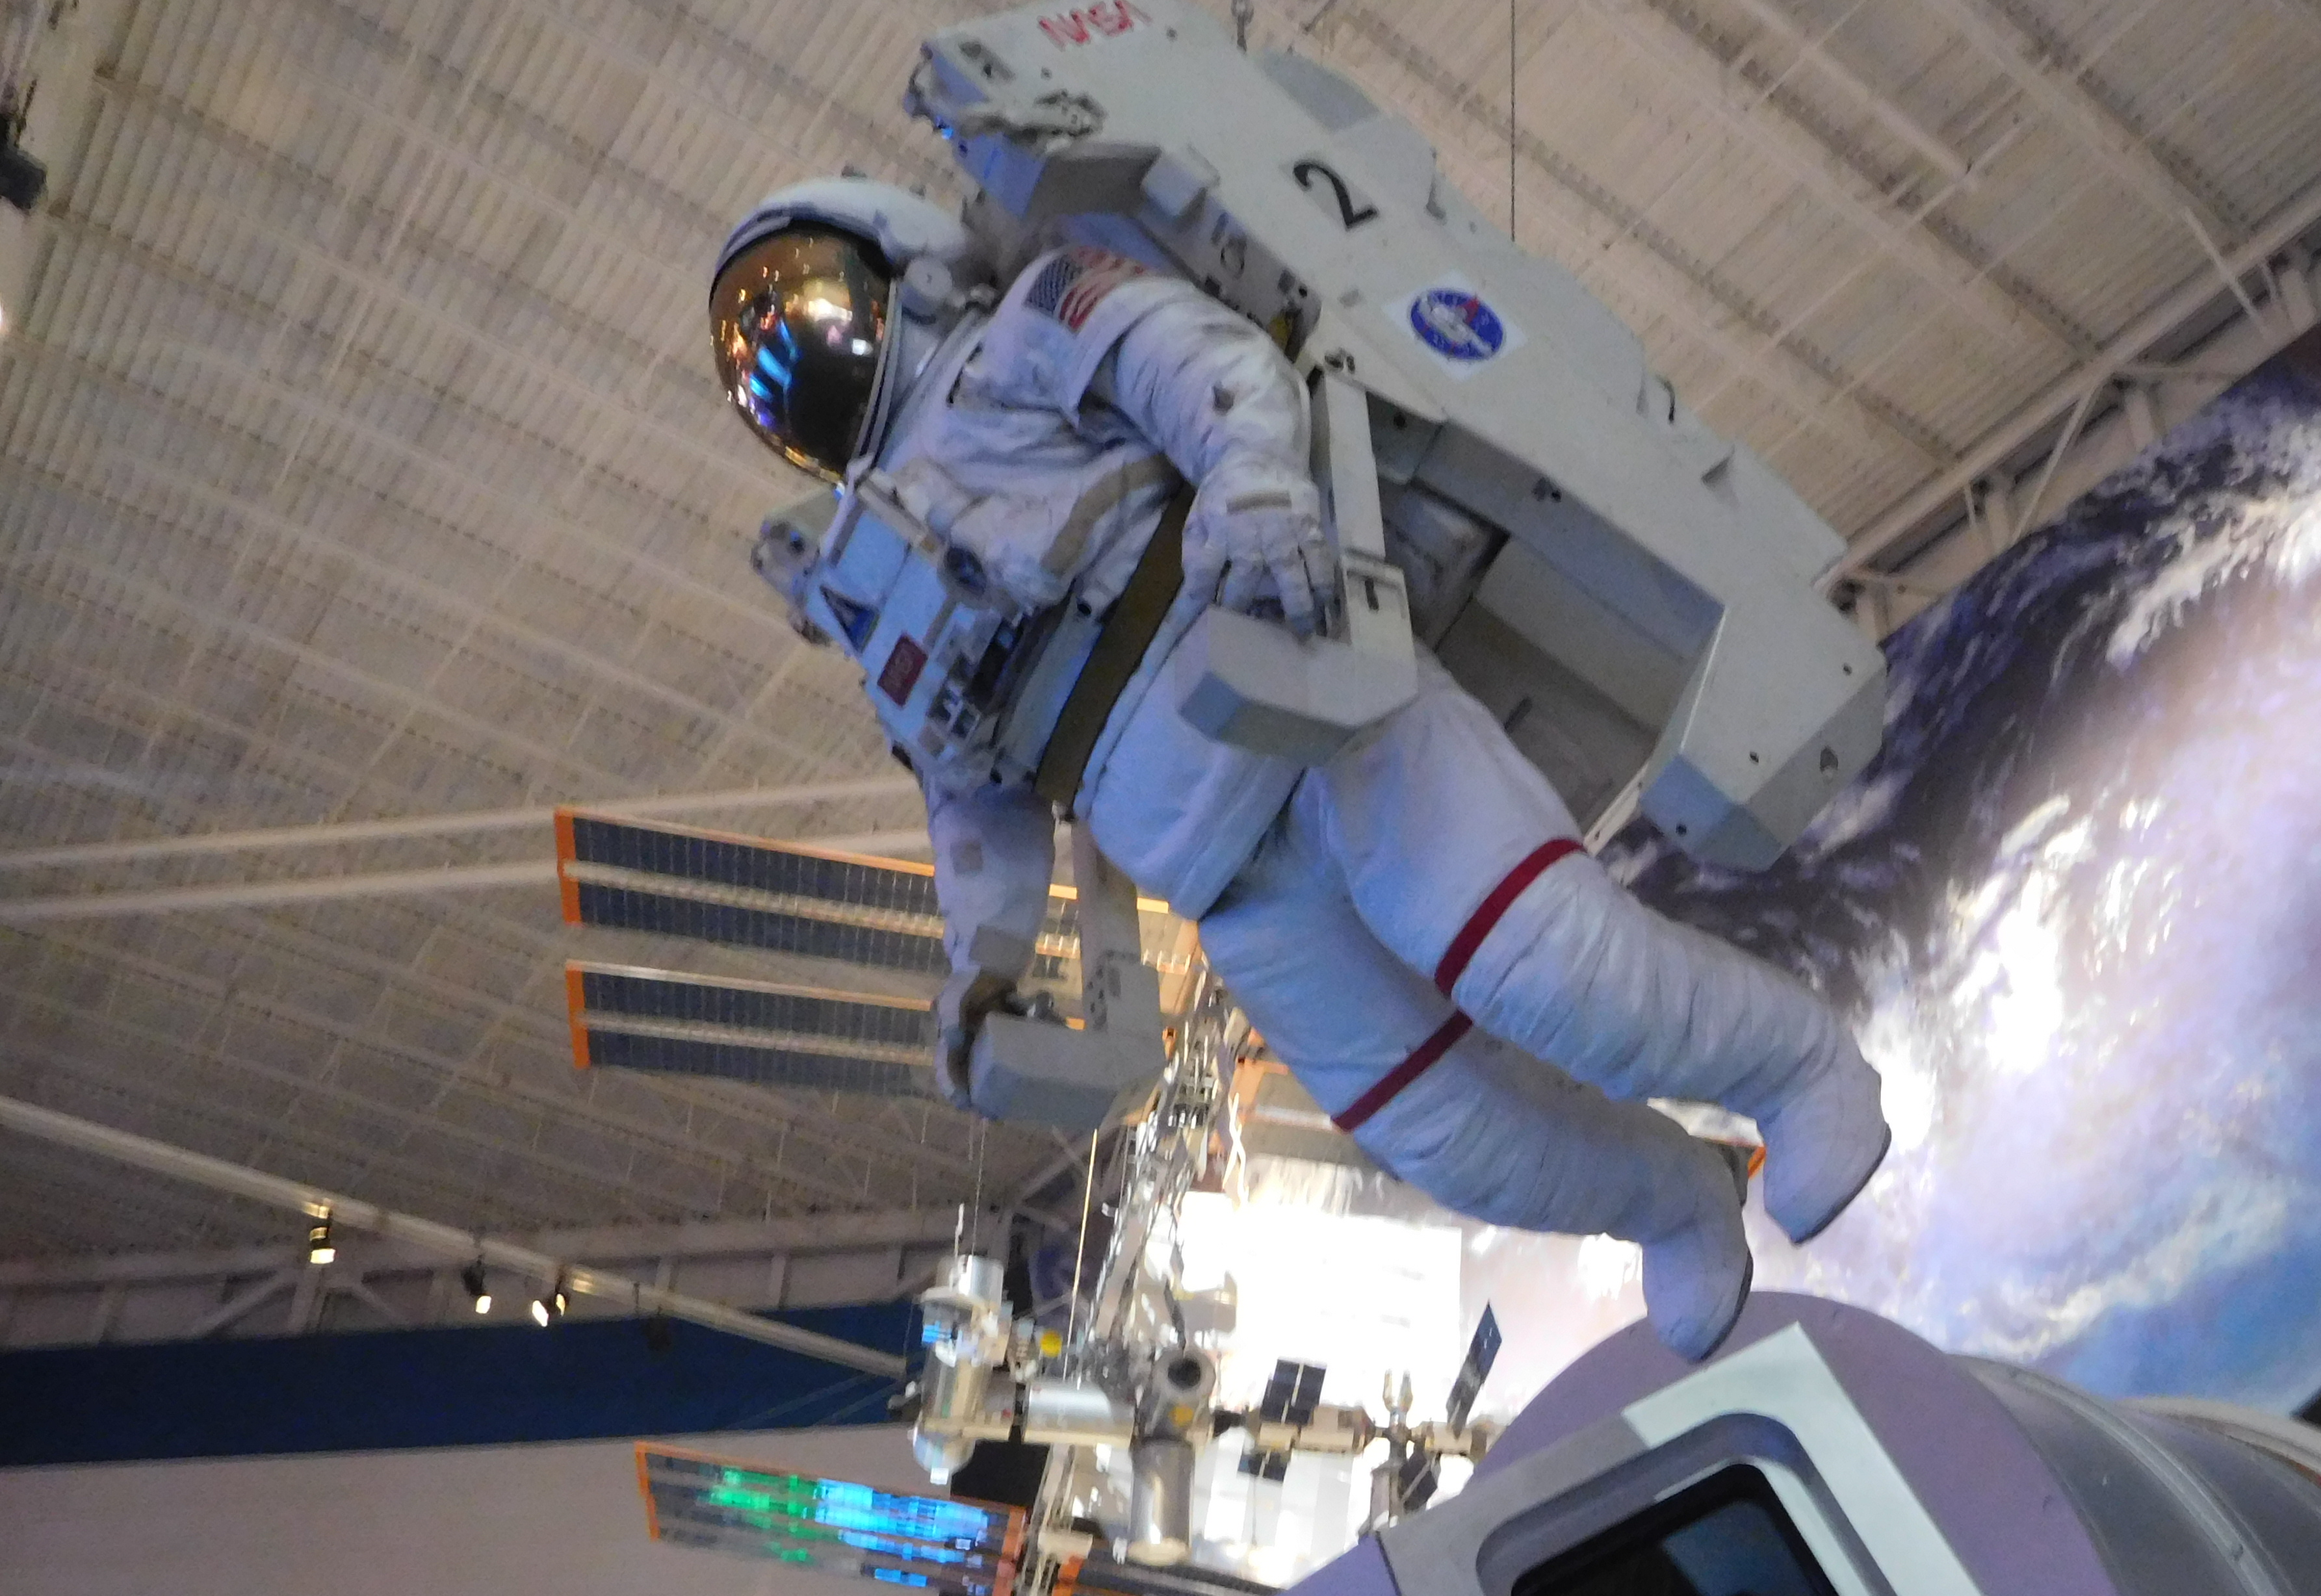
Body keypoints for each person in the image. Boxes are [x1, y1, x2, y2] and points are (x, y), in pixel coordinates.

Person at [708, 181, 1887, 1359]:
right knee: (1449, 1138)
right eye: (755, 352)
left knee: (1552, 974)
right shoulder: (861, 597)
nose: (784, 355)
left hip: (1311, 712)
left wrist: (1252, 476)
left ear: (900, 264)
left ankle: (1802, 1070)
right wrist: (985, 967)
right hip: (1229, 886)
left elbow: (1201, 363)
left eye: (797, 303)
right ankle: (1677, 1204)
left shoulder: (1028, 328)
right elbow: (967, 802)